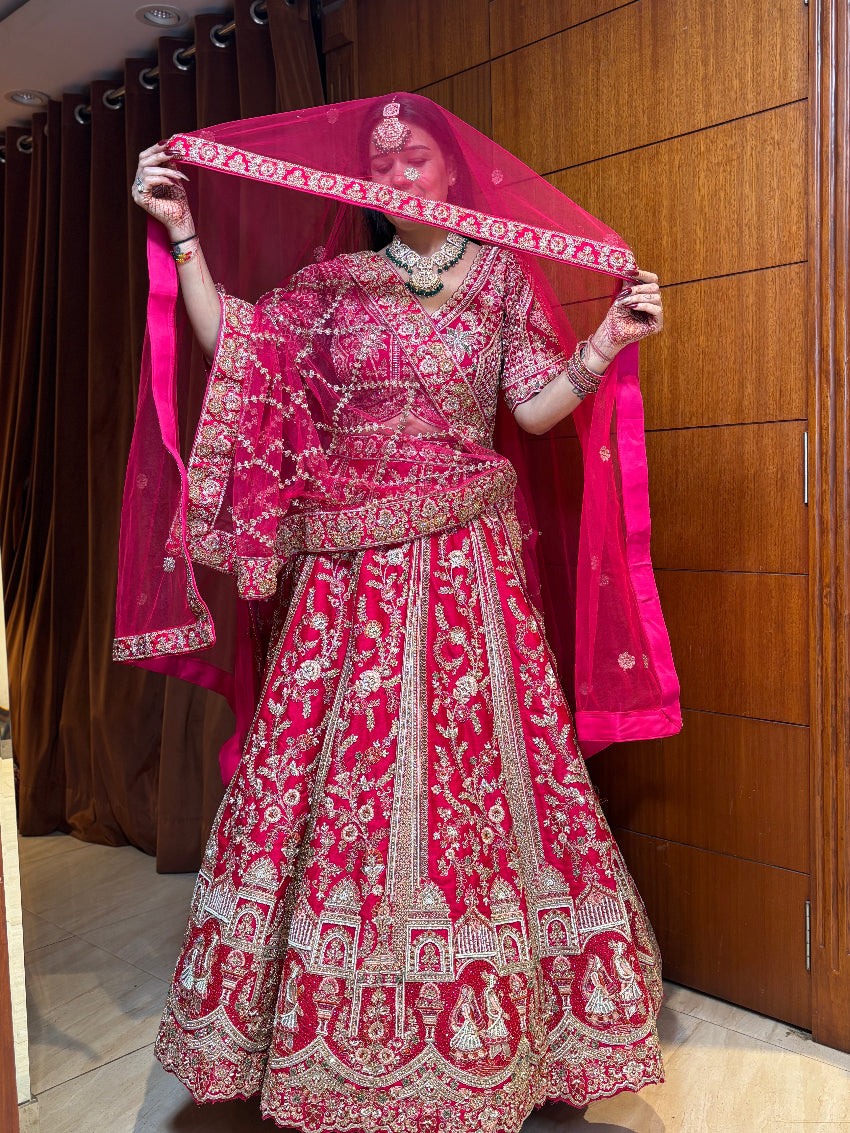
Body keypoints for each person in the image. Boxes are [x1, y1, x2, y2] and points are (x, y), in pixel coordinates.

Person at [123, 94, 674, 1132]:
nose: (394, 175)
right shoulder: (334, 286)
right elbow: (237, 348)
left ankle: (499, 1030)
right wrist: (182, 233)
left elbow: (532, 409)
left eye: (413, 158)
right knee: (344, 781)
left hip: (468, 569)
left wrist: (608, 335)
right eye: (378, 162)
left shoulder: (498, 278)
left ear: (450, 172)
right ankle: (324, 1037)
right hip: (347, 580)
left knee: (472, 782)